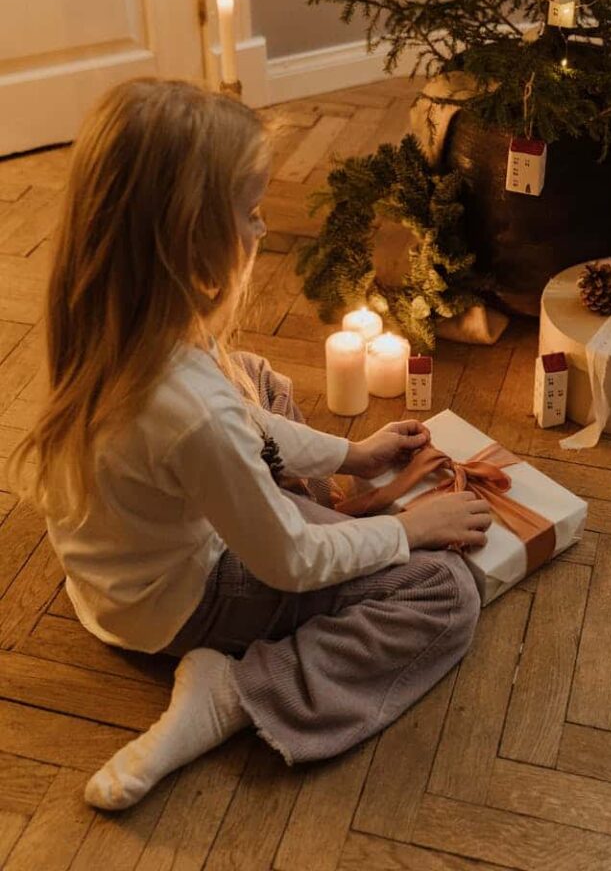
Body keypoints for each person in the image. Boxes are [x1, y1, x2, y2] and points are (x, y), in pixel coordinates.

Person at [6, 79, 491, 812]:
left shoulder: (103, 321)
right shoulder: (189, 410)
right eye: (251, 211)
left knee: (255, 377)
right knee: (444, 593)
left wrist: (347, 456)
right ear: (190, 238)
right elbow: (288, 561)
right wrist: (403, 529)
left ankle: (331, 515)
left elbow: (243, 419)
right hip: (184, 602)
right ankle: (232, 693)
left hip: (115, 579)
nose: (261, 230)